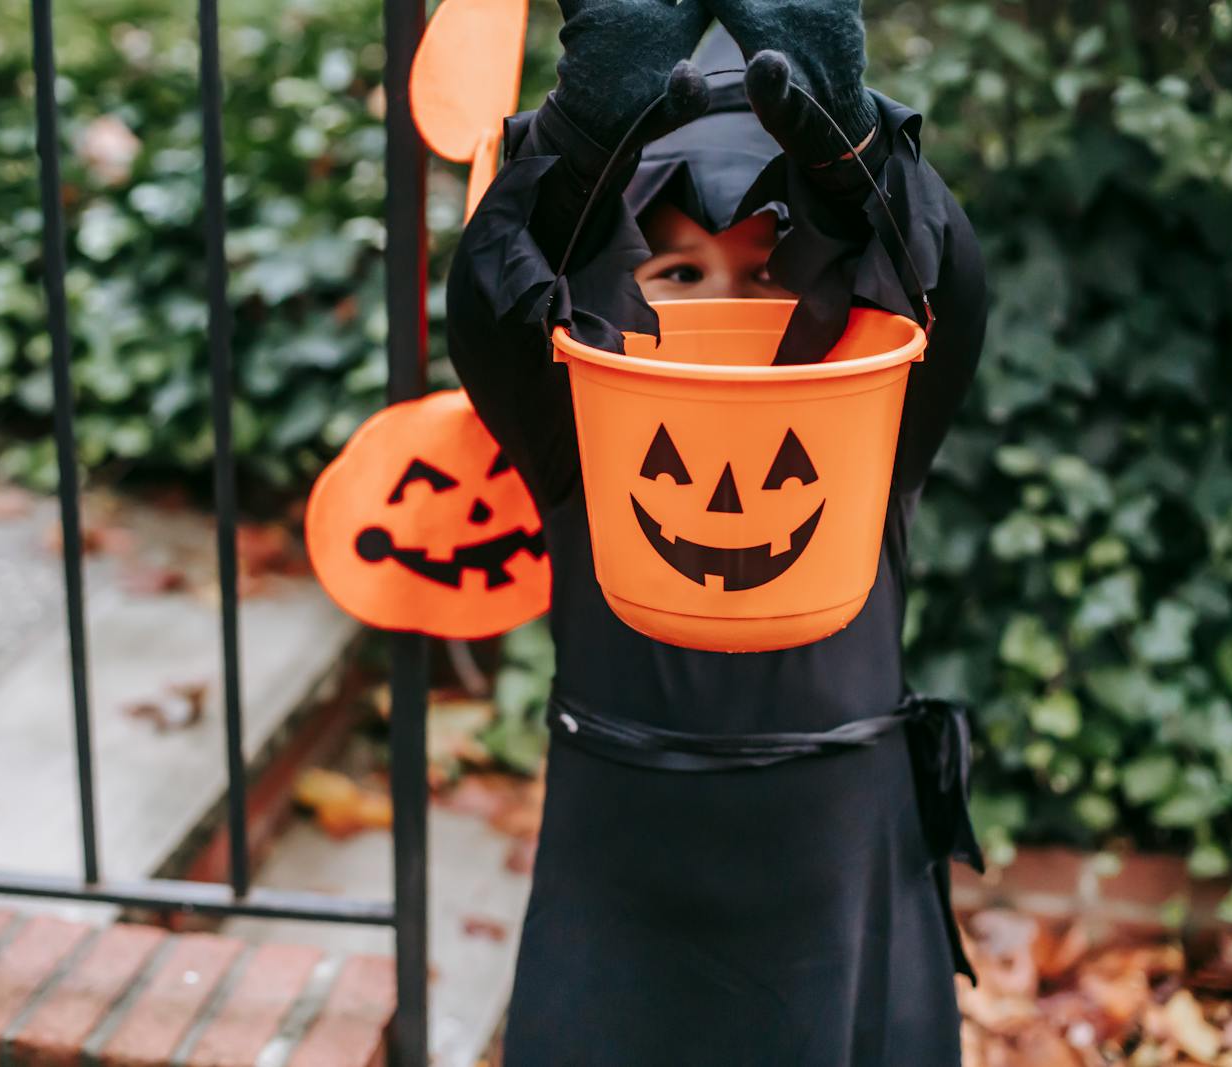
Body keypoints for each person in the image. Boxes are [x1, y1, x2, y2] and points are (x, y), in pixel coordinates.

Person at [445, 0, 989, 1061]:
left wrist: (855, 156)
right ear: (614, 283)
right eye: (679, 270)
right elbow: (494, 306)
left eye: (767, 266)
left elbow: (944, 287)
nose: (728, 305)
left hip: (840, 866)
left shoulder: (877, 413)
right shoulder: (574, 430)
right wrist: (579, 140)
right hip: (622, 875)